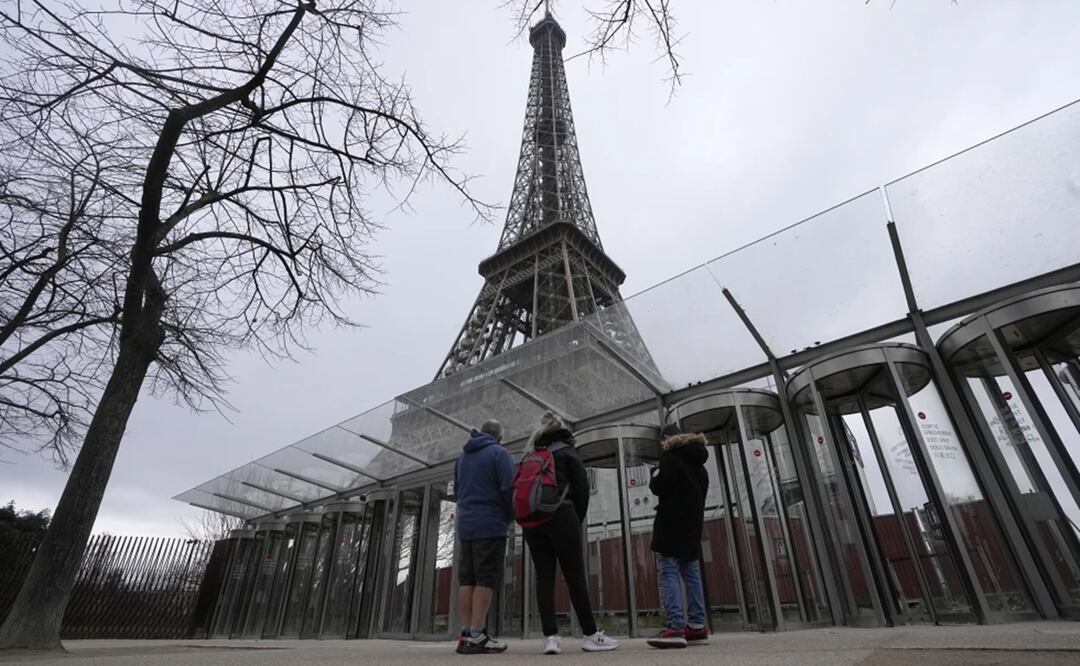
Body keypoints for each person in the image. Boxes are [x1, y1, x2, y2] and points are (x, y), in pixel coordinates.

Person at [521, 412, 619, 655]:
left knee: (544, 577)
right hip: (562, 516)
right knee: (574, 574)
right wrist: (577, 519)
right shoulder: (567, 451)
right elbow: (582, 489)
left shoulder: (531, 454)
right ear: (562, 430)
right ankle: (590, 634)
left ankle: (551, 638)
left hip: (532, 521)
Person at [646, 423, 710, 649]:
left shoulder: (671, 458)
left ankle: (675, 627)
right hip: (692, 527)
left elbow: (658, 487)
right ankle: (697, 625)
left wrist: (654, 472)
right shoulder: (700, 465)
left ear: (666, 439)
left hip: (671, 526)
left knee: (669, 572)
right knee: (691, 574)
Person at [454, 419, 515, 654]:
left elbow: (458, 491)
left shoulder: (462, 457)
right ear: (499, 436)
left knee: (467, 579)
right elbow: (509, 488)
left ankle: (466, 633)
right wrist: (509, 517)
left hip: (466, 525)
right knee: (485, 579)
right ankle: (478, 635)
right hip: (490, 524)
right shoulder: (499, 454)